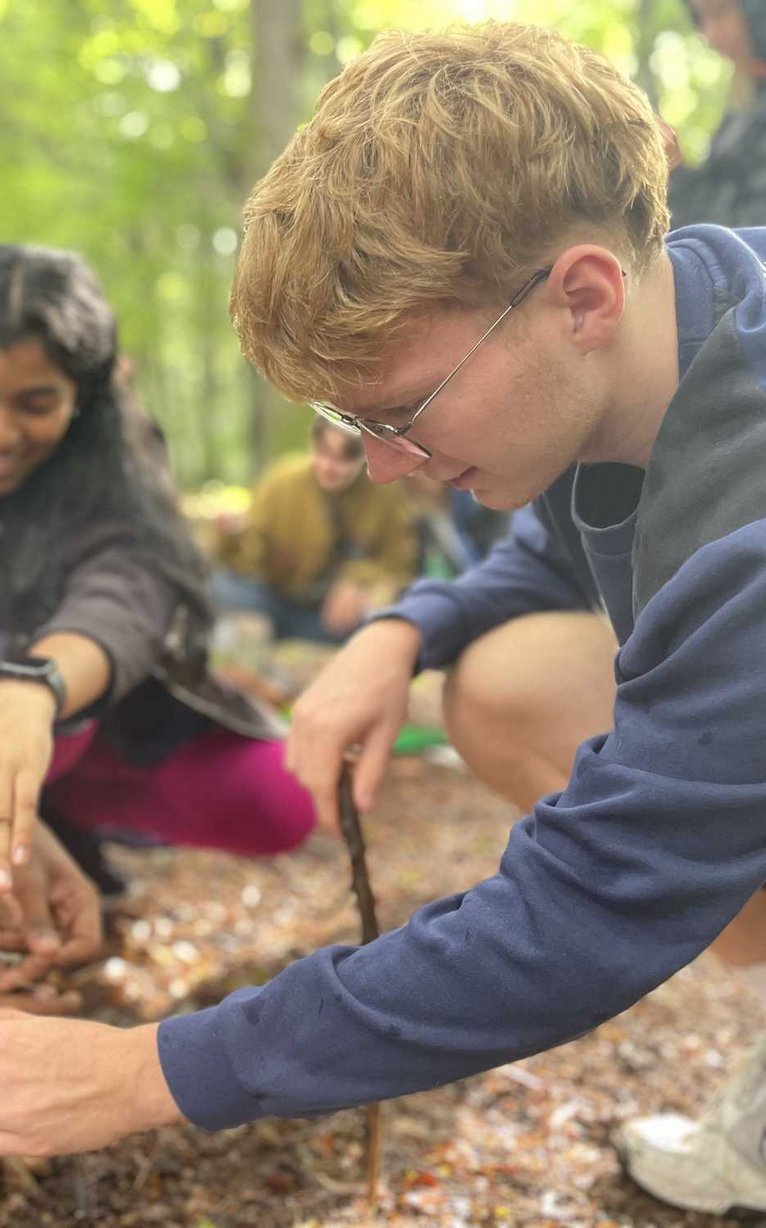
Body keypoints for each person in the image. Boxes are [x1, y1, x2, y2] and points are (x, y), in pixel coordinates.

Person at [2, 27, 766, 1217]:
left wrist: (149, 1068)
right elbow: (553, 549)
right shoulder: (659, 333)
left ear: (581, 294)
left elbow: (589, 903)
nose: (379, 464)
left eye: (401, 412)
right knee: (501, 674)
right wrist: (401, 630)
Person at [0, 244, 315, 923]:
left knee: (280, 800)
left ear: (84, 396)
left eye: (33, 403)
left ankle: (64, 815)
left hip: (70, 719)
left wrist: (35, 684)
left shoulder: (116, 457)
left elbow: (127, 586)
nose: (2, 433)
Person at [212, 417, 417, 642]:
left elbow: (398, 561)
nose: (330, 466)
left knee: (384, 612)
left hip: (331, 616)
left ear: (364, 455)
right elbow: (247, 557)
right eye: (323, 451)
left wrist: (361, 580)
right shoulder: (282, 482)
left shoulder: (384, 492)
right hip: (276, 598)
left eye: (346, 456)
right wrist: (229, 536)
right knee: (224, 588)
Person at [668, 0, 766, 230]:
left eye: (720, 13)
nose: (710, 34)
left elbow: (749, 230)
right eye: (701, 19)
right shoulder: (743, 107)